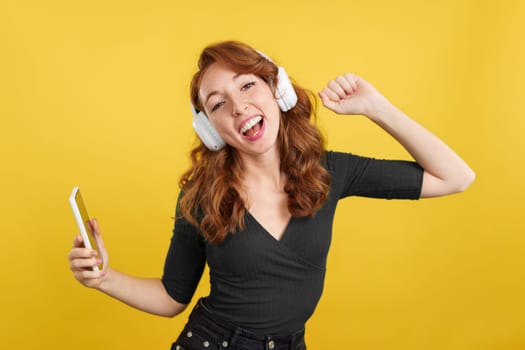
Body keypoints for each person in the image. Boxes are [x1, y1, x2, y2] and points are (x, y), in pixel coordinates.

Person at [68, 41, 475, 350]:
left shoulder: (331, 171)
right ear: (211, 130)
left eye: (247, 84)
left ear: (277, 91)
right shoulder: (200, 197)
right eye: (218, 104)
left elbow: (456, 177)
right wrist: (103, 277)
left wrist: (376, 107)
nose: (239, 107)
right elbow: (172, 297)